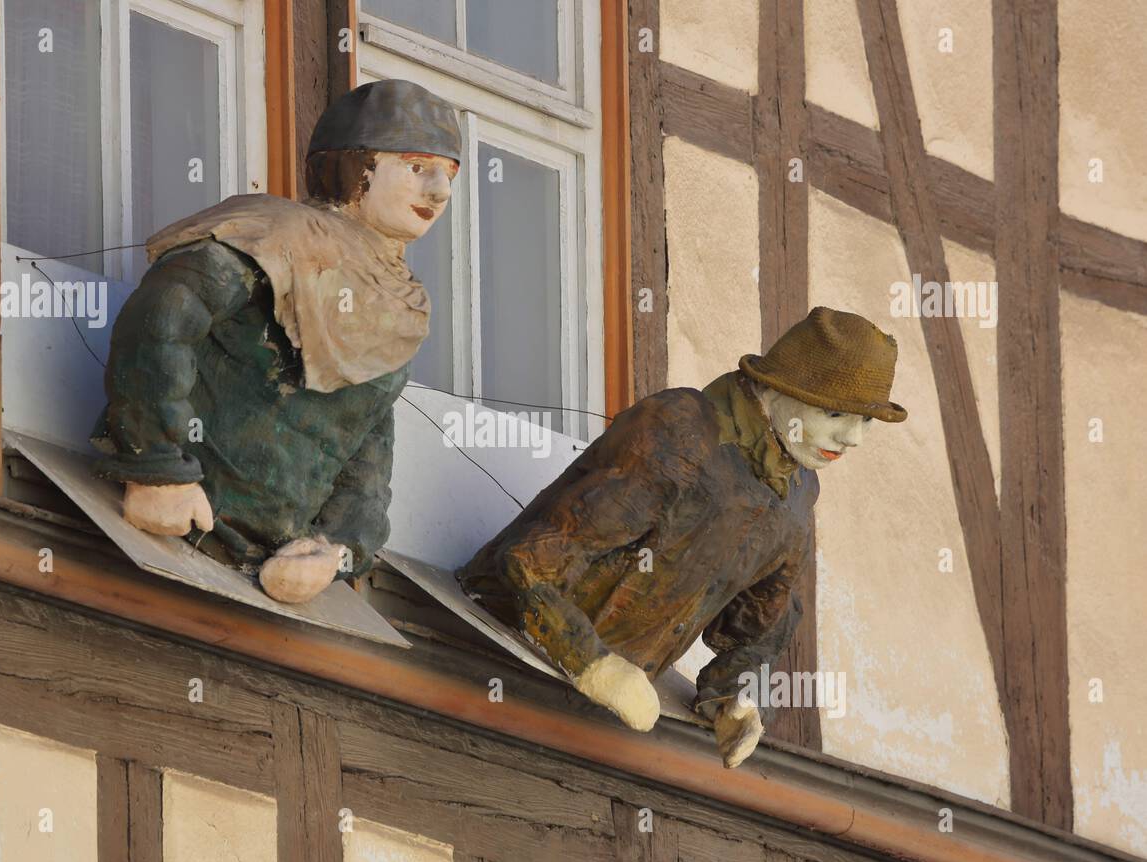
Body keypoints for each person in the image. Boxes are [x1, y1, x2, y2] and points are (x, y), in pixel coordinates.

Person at [458, 307, 907, 767]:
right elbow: (530, 562)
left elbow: (760, 625)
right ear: (779, 390)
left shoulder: (797, 490)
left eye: (867, 421)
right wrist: (593, 663)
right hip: (489, 654)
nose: (853, 438)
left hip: (600, 722)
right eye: (834, 413)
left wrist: (735, 699)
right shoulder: (680, 429)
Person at [92, 79, 460, 604]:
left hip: (263, 577)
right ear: (358, 167)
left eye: (449, 174)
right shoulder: (273, 231)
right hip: (169, 526)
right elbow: (166, 312)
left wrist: (334, 550)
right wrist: (156, 468)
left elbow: (367, 449)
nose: (439, 193)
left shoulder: (403, 304)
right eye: (417, 167)